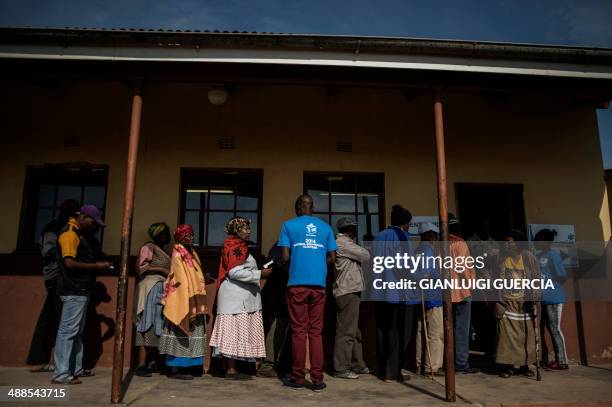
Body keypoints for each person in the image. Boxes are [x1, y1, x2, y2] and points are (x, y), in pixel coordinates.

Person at [278, 194, 337, 392]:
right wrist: (318, 260)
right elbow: (332, 257)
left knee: (298, 331)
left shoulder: (288, 225)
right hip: (319, 285)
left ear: (297, 207)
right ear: (313, 207)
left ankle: (297, 378)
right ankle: (318, 380)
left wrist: (298, 260)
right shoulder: (326, 227)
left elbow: (285, 258)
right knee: (315, 332)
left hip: (297, 284)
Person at [52, 205, 111, 384]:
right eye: (93, 221)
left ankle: (74, 369)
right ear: (84, 217)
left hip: (81, 289)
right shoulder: (70, 234)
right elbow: (69, 263)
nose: (94, 226)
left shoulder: (78, 233)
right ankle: (61, 373)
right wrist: (97, 267)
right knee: (68, 331)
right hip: (74, 289)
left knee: (76, 332)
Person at [209, 217, 272, 380]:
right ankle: (230, 370)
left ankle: (231, 368)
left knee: (236, 334)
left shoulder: (240, 247)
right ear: (237, 231)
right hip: (235, 299)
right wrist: (260, 274)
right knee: (232, 334)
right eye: (245, 228)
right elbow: (234, 272)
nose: (248, 231)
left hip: (240, 299)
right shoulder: (235, 247)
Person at [27, 199, 80, 373]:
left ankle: (40, 360)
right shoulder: (54, 228)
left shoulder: (68, 229)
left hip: (60, 277)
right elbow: (47, 250)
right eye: (72, 211)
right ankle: (63, 366)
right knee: (63, 322)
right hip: (56, 277)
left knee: (51, 318)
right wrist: (68, 251)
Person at [373, 204, 419, 382]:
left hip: (379, 290)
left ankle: (383, 370)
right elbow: (405, 265)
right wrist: (418, 278)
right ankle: (393, 371)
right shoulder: (401, 237)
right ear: (405, 223)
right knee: (398, 332)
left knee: (382, 330)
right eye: (409, 223)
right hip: (397, 292)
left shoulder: (378, 237)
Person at [158, 224, 208, 380]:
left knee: (194, 333)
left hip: (194, 296)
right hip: (183, 298)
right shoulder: (178, 252)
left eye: (192, 235)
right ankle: (176, 368)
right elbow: (179, 278)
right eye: (187, 235)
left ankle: (192, 365)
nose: (191, 238)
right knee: (181, 331)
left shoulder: (191, 252)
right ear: (179, 237)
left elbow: (194, 274)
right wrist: (187, 298)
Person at [495, 230, 540, 378]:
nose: (507, 244)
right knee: (507, 337)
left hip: (524, 304)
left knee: (525, 335)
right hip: (506, 303)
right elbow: (492, 275)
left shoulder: (528, 258)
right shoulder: (501, 258)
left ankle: (526, 365)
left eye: (510, 241)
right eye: (506, 241)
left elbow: (536, 277)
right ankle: (509, 366)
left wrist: (535, 295)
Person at [332, 217, 370, 379]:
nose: (355, 231)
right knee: (346, 332)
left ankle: (358, 364)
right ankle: (341, 368)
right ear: (347, 230)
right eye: (353, 228)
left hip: (351, 290)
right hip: (347, 291)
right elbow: (366, 255)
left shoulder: (345, 242)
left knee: (355, 332)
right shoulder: (343, 242)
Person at [134, 223, 172, 377]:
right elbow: (140, 268)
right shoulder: (149, 247)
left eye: (168, 233)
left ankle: (156, 362)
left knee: (160, 325)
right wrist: (161, 270)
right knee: (146, 323)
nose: (167, 236)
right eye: (164, 233)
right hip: (151, 288)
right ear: (156, 235)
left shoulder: (165, 252)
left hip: (161, 289)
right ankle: (142, 364)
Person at [448, 214, 479, 374]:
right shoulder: (460, 243)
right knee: (462, 329)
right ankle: (461, 364)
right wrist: (470, 284)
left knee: (450, 328)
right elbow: (461, 268)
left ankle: (450, 361)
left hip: (446, 292)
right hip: (462, 291)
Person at [534, 228, 569, 371]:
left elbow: (562, 276)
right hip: (544, 299)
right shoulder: (539, 255)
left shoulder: (553, 255)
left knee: (555, 329)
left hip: (554, 298)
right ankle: (548, 359)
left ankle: (562, 361)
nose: (536, 243)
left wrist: (550, 286)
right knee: (546, 329)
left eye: (538, 240)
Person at [258, 242, 292, 378]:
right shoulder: (283, 246)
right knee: (278, 326)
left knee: (280, 327)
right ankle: (268, 364)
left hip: (275, 295)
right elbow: (268, 265)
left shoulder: (281, 245)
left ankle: (275, 363)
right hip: (278, 296)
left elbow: (267, 264)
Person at [415, 222, 444, 377]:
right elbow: (427, 274)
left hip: (421, 297)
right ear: (430, 235)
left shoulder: (418, 250)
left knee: (421, 332)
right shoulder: (427, 250)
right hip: (432, 296)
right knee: (435, 334)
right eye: (435, 234)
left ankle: (420, 363)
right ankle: (431, 366)